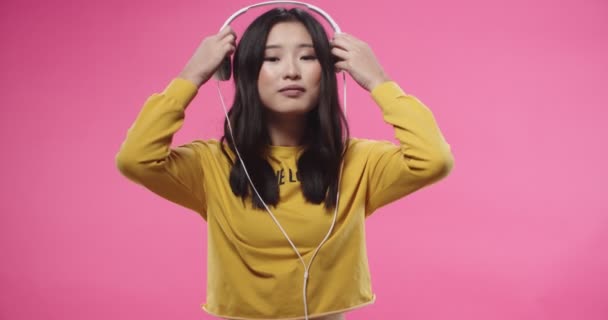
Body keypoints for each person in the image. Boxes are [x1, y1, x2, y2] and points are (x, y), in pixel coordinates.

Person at [116, 7, 454, 320]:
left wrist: (379, 82)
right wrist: (190, 76)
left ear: (330, 68)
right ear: (247, 71)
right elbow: (137, 159)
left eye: (307, 57)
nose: (291, 71)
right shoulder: (211, 164)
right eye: (272, 58)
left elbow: (433, 160)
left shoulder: (357, 162)